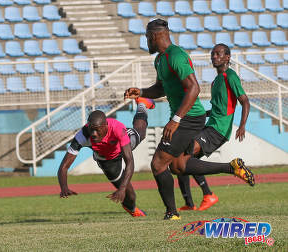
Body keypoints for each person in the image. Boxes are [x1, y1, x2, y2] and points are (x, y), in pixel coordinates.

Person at [124, 19, 254, 220]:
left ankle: (172, 213)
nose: (146, 41)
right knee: (178, 166)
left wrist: (176, 119)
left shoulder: (176, 55)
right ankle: (230, 168)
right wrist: (141, 91)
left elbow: (194, 88)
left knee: (158, 164)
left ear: (156, 35)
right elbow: (160, 88)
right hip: (186, 118)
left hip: (189, 118)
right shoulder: (160, 60)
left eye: (147, 37)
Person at [177, 43, 251, 212]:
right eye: (212, 54)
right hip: (211, 126)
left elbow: (245, 101)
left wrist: (242, 125)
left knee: (185, 153)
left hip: (219, 130)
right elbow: (218, 108)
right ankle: (190, 203)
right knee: (181, 159)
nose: (214, 57)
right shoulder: (215, 81)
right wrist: (198, 115)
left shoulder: (230, 76)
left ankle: (209, 193)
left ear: (227, 57)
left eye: (218, 54)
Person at [58, 97, 154, 217]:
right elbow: (64, 166)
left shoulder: (118, 129)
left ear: (105, 126)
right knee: (131, 196)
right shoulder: (82, 135)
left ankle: (142, 104)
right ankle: (131, 208)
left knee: (141, 133)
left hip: (123, 146)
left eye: (97, 130)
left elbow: (129, 162)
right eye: (91, 130)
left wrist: (122, 188)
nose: (93, 134)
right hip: (107, 161)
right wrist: (64, 187)